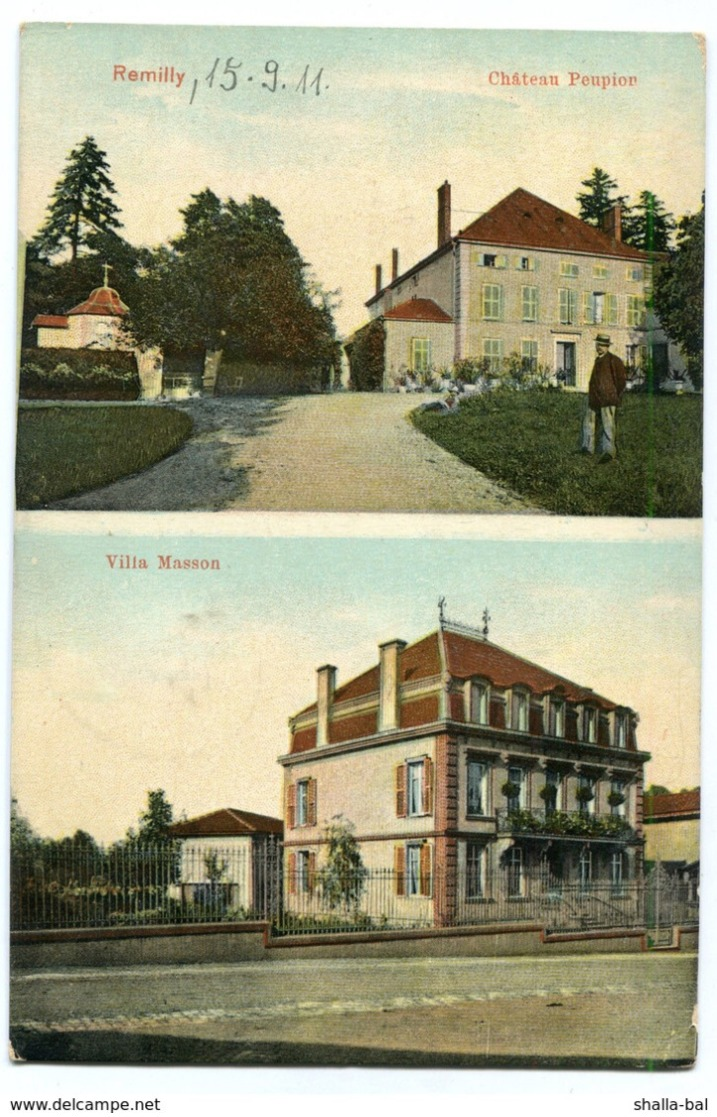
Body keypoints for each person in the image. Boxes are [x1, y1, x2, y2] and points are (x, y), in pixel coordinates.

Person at [580, 333, 628, 462]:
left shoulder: (614, 360)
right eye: (598, 344)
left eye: (603, 345)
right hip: (594, 398)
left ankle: (609, 451)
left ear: (607, 347)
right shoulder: (598, 360)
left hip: (608, 398)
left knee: (608, 425)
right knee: (588, 423)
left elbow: (621, 381)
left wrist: (613, 394)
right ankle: (587, 448)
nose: (600, 347)